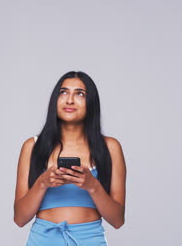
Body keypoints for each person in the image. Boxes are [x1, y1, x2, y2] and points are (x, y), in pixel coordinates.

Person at [13, 71, 127, 246]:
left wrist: (92, 185)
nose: (70, 100)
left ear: (91, 102)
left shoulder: (110, 148)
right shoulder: (32, 147)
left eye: (80, 94)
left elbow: (118, 220)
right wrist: (42, 182)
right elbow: (20, 218)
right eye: (63, 92)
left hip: (90, 239)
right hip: (43, 239)